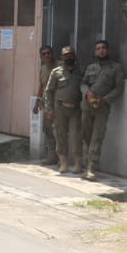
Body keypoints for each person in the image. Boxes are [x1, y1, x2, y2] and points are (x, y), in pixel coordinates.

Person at [79, 39, 126, 180]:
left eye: (103, 48)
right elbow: (83, 83)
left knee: (97, 137)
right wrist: (87, 93)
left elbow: (119, 88)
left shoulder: (116, 68)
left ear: (108, 50)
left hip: (102, 107)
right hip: (87, 106)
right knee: (86, 136)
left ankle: (91, 168)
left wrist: (104, 99)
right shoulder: (90, 67)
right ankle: (85, 164)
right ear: (95, 52)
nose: (101, 50)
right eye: (98, 48)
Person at [43, 46, 82, 175]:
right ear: (62, 57)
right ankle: (63, 162)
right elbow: (49, 91)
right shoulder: (56, 72)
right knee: (60, 136)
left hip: (75, 108)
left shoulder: (80, 72)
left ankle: (77, 163)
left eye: (70, 54)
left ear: (75, 56)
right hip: (59, 108)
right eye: (65, 55)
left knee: (76, 136)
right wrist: (49, 108)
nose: (68, 57)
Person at [33, 44, 56, 166]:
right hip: (47, 104)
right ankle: (52, 156)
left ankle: (62, 158)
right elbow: (41, 86)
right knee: (48, 130)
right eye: (44, 54)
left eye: (48, 53)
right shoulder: (42, 69)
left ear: (52, 54)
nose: (47, 55)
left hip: (59, 104)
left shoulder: (60, 66)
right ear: (41, 57)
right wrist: (37, 102)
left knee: (59, 131)